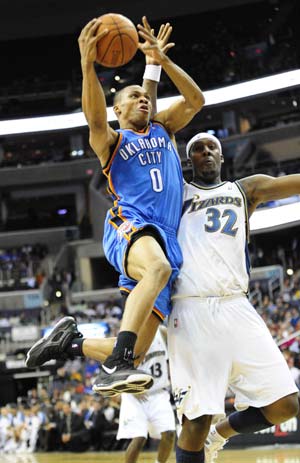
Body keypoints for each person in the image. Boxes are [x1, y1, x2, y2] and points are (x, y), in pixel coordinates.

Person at [25, 16, 205, 397]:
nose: (142, 98)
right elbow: (93, 117)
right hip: (131, 224)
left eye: (145, 95)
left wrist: (161, 61)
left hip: (165, 238)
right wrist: (87, 66)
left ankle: (69, 343)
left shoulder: (164, 128)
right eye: (132, 97)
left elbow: (196, 101)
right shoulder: (112, 140)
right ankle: (113, 367)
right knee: (156, 268)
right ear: (118, 110)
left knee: (138, 351)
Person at [167, 132, 300, 463]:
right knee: (195, 421)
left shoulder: (244, 190)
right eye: (198, 149)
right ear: (189, 160)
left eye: (213, 147)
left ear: (223, 158)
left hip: (237, 305)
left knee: (285, 405)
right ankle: (205, 436)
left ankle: (221, 433)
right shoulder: (175, 194)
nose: (207, 152)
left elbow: (291, 183)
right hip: (191, 306)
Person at [116, 325, 176, 463]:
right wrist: (130, 387)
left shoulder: (161, 331)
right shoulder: (128, 335)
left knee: (170, 433)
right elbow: (117, 367)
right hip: (135, 395)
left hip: (159, 392)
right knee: (139, 438)